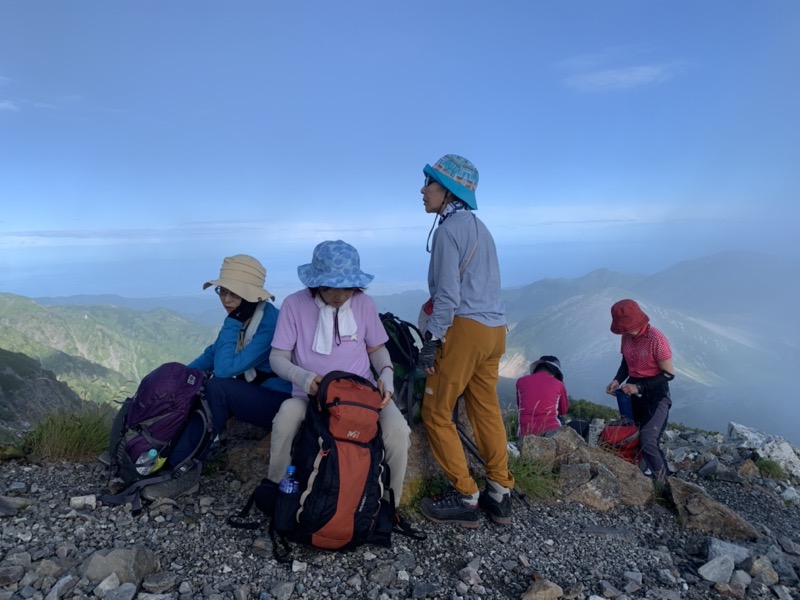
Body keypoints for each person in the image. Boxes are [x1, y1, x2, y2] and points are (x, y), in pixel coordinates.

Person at [267, 240, 412, 515]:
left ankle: (388, 506)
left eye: (347, 287)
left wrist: (387, 375)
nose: (340, 295)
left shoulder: (364, 304)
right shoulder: (294, 305)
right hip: (311, 395)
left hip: (361, 395)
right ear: (316, 282)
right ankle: (278, 491)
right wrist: (303, 377)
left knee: (397, 431)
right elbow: (278, 358)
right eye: (331, 286)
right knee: (286, 418)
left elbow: (377, 349)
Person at [416, 154, 515, 528]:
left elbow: (447, 295)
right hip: (495, 332)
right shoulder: (479, 227)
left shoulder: (447, 231)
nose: (423, 191)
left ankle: (466, 496)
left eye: (429, 184)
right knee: (485, 409)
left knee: (436, 412)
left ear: (448, 190)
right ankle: (500, 492)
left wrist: (432, 339)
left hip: (465, 329)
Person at [142, 255, 291, 500]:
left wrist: (232, 322)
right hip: (252, 392)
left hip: (278, 401)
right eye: (222, 291)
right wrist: (175, 380)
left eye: (235, 293)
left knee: (217, 389)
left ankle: (182, 471)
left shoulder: (270, 324)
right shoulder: (246, 315)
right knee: (186, 387)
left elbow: (224, 369)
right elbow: (213, 353)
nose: (227, 300)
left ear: (254, 296)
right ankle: (150, 453)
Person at [605, 299, 674, 482]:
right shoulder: (626, 336)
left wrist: (639, 387)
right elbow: (626, 362)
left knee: (648, 439)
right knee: (632, 434)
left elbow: (668, 374)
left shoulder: (656, 338)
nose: (625, 331)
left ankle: (665, 484)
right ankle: (640, 476)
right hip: (633, 395)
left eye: (627, 327)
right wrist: (617, 380)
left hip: (656, 395)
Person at [516, 356, 569, 437]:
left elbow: (520, 406)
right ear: (555, 372)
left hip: (524, 434)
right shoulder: (559, 384)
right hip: (551, 433)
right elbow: (563, 411)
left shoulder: (520, 381)